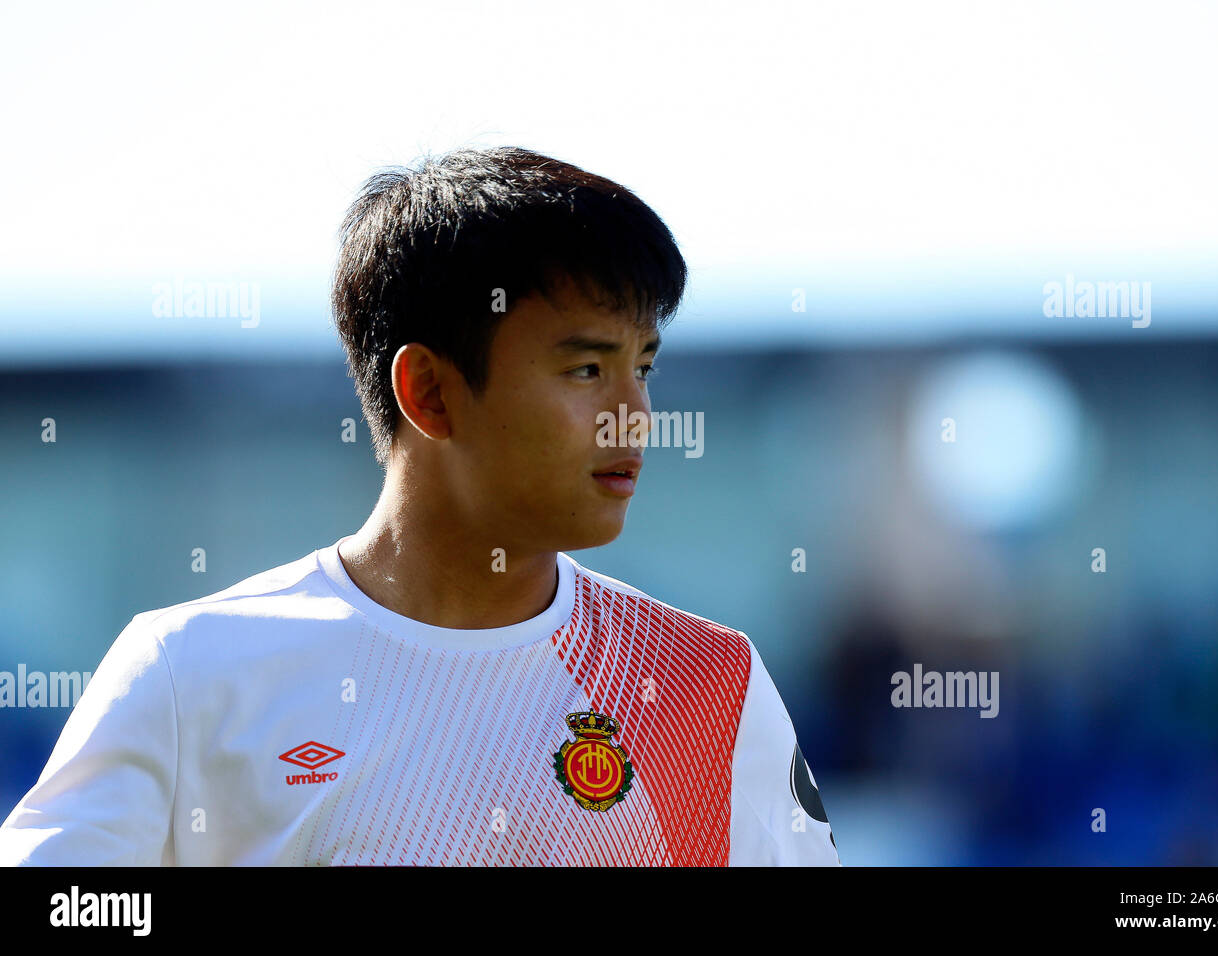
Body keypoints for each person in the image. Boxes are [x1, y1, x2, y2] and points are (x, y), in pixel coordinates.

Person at [0, 146, 840, 865]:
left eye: (644, 367)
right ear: (429, 394)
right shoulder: (189, 672)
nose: (634, 413)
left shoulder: (710, 686)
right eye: (586, 369)